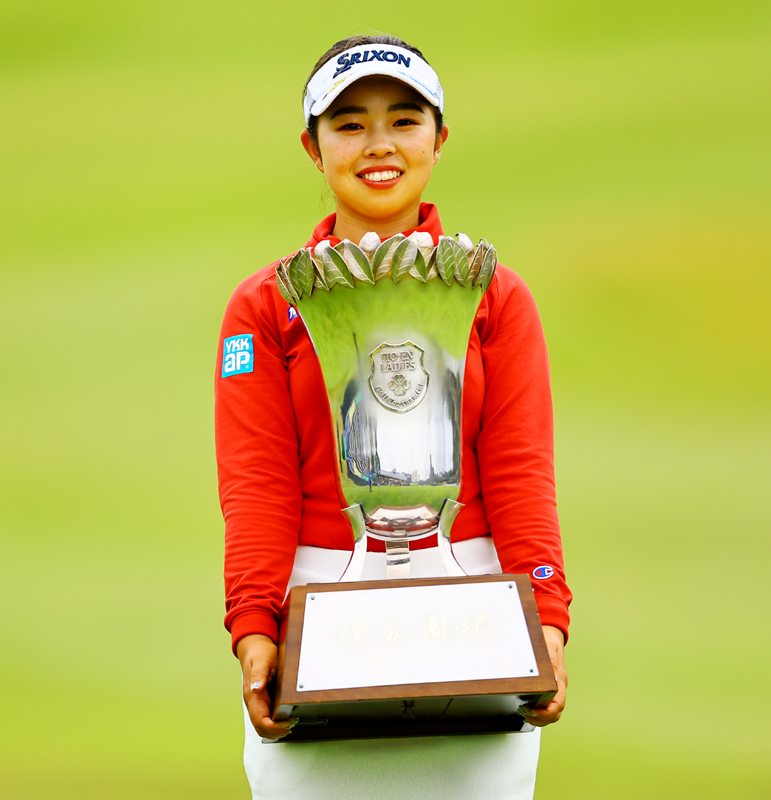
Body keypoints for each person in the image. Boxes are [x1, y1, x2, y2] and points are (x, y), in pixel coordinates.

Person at [215, 34, 572, 800]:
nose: (379, 145)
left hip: (474, 601)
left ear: (439, 139)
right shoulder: (262, 308)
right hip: (314, 612)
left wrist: (548, 615)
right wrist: (253, 630)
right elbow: (255, 484)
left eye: (403, 120)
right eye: (349, 125)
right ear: (313, 149)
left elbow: (519, 471)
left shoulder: (498, 297)